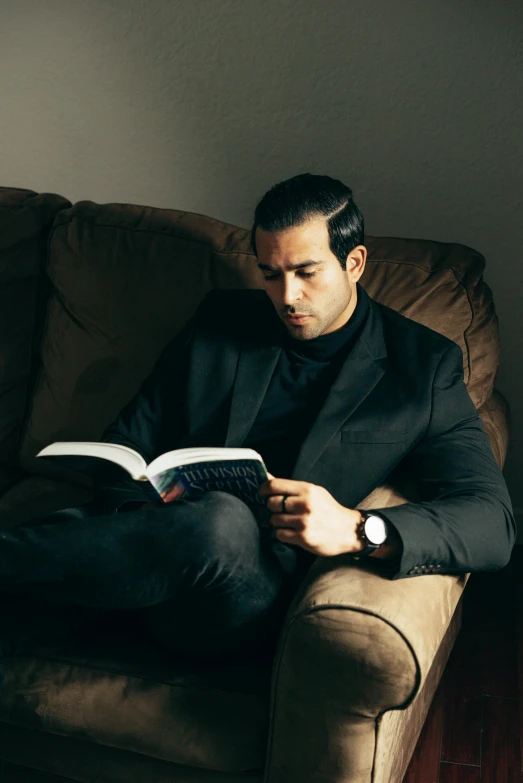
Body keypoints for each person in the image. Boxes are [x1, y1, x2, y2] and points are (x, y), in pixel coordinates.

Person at [0, 174, 515, 675]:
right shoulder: (222, 319)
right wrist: (144, 507)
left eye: (306, 272)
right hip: (153, 550)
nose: (287, 296)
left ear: (354, 262)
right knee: (65, 534)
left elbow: (493, 522)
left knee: (219, 522)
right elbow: (128, 441)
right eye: (271, 274)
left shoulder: (423, 369)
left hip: (252, 595)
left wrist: (359, 530)